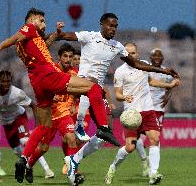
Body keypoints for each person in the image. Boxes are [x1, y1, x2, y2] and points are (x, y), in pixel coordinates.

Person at [0, 8, 121, 183]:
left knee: (42, 127)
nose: (44, 24)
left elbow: (43, 45)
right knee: (94, 88)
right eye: (41, 20)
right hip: (49, 76)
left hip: (37, 83)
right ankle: (104, 128)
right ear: (31, 20)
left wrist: (56, 34)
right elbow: (14, 38)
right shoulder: (29, 29)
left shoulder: (32, 40)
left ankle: (24, 159)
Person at [58, 13, 179, 185]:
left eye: (115, 26)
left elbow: (137, 64)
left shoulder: (116, 46)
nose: (113, 29)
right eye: (110, 25)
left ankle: (74, 160)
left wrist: (164, 71)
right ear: (102, 24)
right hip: (84, 87)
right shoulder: (89, 36)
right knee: (104, 131)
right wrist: (51, 35)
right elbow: (64, 36)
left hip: (97, 92)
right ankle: (78, 125)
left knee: (104, 135)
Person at [105, 42, 177, 185]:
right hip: (132, 113)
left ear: (137, 54)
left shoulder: (143, 64)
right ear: (123, 55)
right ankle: (113, 167)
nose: (131, 55)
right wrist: (125, 97)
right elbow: (118, 94)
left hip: (148, 110)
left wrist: (168, 85)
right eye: (128, 53)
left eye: (134, 53)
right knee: (130, 147)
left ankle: (153, 173)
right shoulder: (120, 72)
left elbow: (151, 81)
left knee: (155, 139)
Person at [23, 43, 86, 184]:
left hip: (64, 113)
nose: (68, 59)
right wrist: (50, 95)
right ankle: (28, 166)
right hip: (49, 114)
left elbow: (78, 91)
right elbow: (41, 87)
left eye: (70, 56)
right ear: (59, 57)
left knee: (71, 138)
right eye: (65, 56)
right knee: (44, 148)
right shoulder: (51, 70)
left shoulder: (74, 73)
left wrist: (75, 105)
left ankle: (73, 175)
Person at [0, 70, 54, 179]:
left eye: (8, 81)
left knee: (25, 141)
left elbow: (33, 105)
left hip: (18, 117)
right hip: (5, 121)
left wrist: (37, 124)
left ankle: (47, 170)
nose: (6, 84)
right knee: (14, 149)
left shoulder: (17, 93)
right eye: (3, 81)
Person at [135, 48, 181, 177]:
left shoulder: (166, 71)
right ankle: (145, 160)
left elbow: (173, 83)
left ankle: (153, 169)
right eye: (154, 55)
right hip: (143, 107)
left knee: (155, 138)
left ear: (162, 58)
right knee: (136, 138)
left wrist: (168, 95)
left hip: (158, 109)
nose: (157, 57)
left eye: (159, 56)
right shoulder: (146, 69)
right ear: (150, 58)